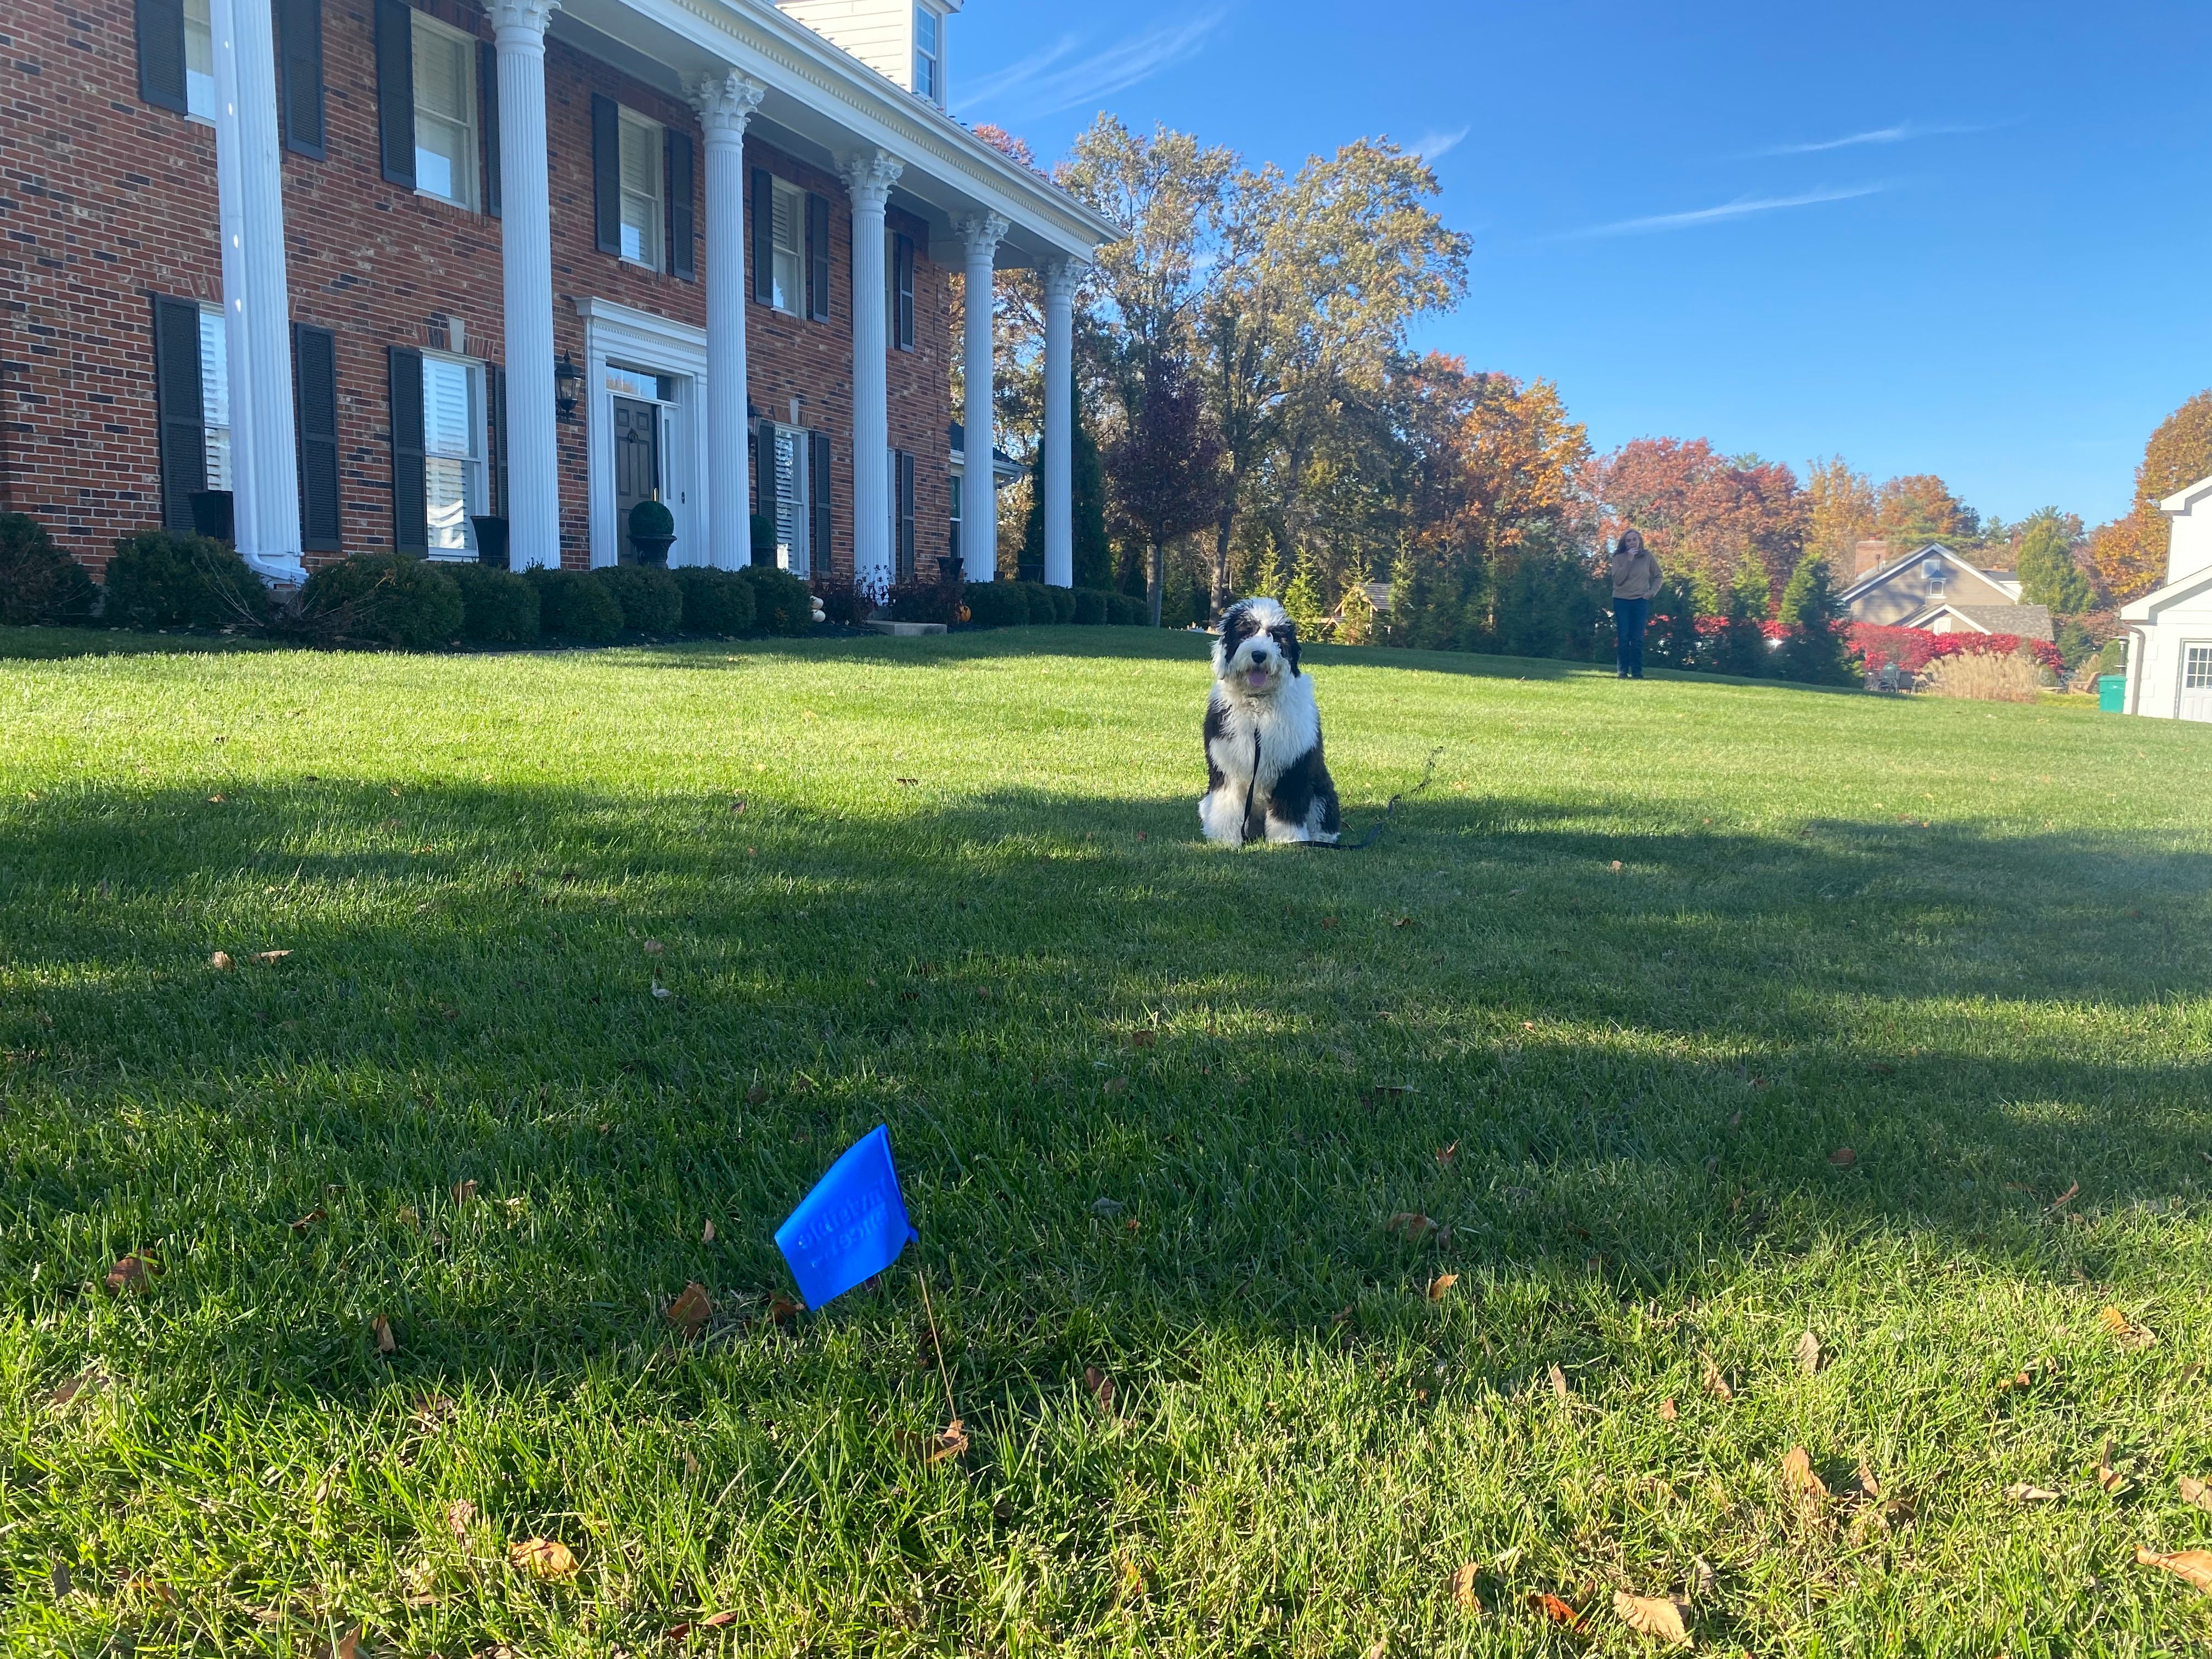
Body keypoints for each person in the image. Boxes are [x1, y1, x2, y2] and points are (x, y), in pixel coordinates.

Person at [1609, 528, 1663, 679]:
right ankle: (1622, 672)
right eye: (1628, 540)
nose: (1631, 543)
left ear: (1639, 541)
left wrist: (1652, 592)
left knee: (1637, 638)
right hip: (1621, 600)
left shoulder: (1648, 557)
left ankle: (1637, 672)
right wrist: (1629, 560)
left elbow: (1658, 576)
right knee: (1624, 637)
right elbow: (1618, 579)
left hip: (1640, 601)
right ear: (1624, 543)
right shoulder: (1619, 558)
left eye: (1634, 540)